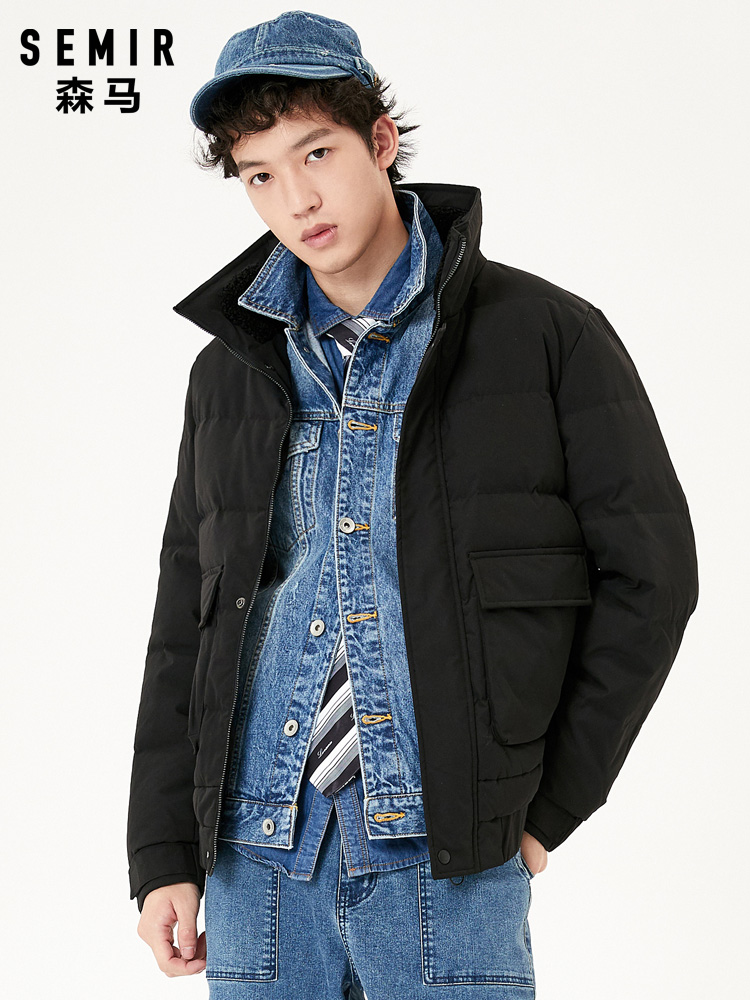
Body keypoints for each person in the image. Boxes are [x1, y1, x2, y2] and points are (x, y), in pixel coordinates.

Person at [127, 11, 699, 997]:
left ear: (381, 141)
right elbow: (188, 617)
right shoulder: (228, 373)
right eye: (260, 175)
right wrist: (162, 852)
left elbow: (652, 580)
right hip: (254, 857)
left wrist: (546, 810)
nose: (297, 199)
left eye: (317, 153)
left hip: (448, 856)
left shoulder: (546, 336)